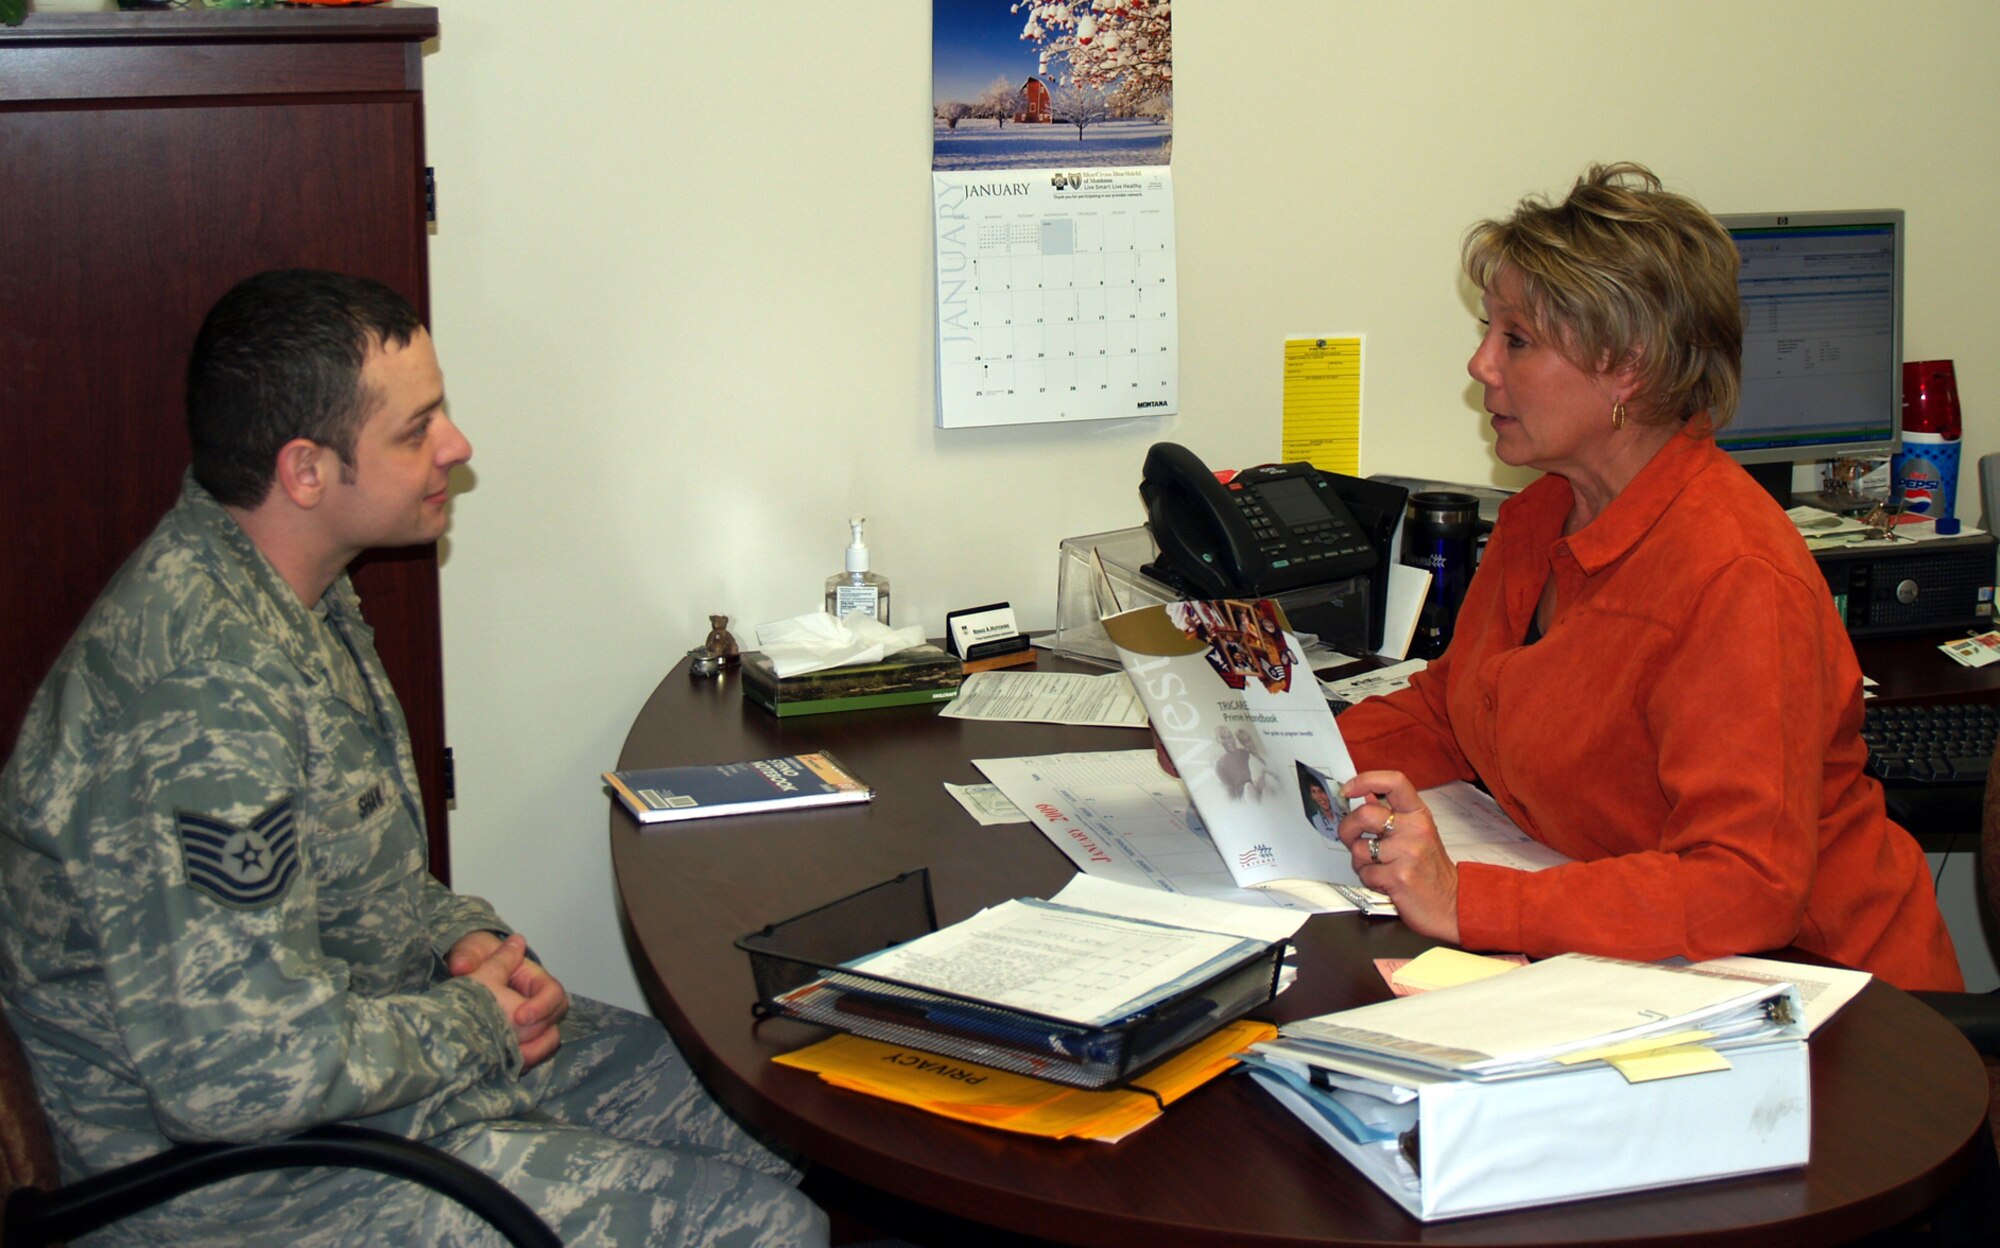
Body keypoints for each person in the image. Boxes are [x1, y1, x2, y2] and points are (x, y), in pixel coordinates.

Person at [0, 270, 829, 1246]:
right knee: (764, 1229)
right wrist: (472, 1024)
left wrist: (460, 939)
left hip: (363, 1062)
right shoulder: (200, 693)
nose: (456, 446)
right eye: (415, 428)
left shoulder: (296, 586)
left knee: (777, 1111)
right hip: (244, 1184)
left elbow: (360, 883)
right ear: (305, 471)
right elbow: (235, 1079)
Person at [1331, 164, 1962, 992]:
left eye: (1515, 340)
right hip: (1645, 958)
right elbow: (1458, 712)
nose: (1482, 364)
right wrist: (1262, 750)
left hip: (1819, 1002)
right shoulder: (1544, 513)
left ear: (1627, 367)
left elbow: (1746, 887)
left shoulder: (1735, 576)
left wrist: (1469, 899)